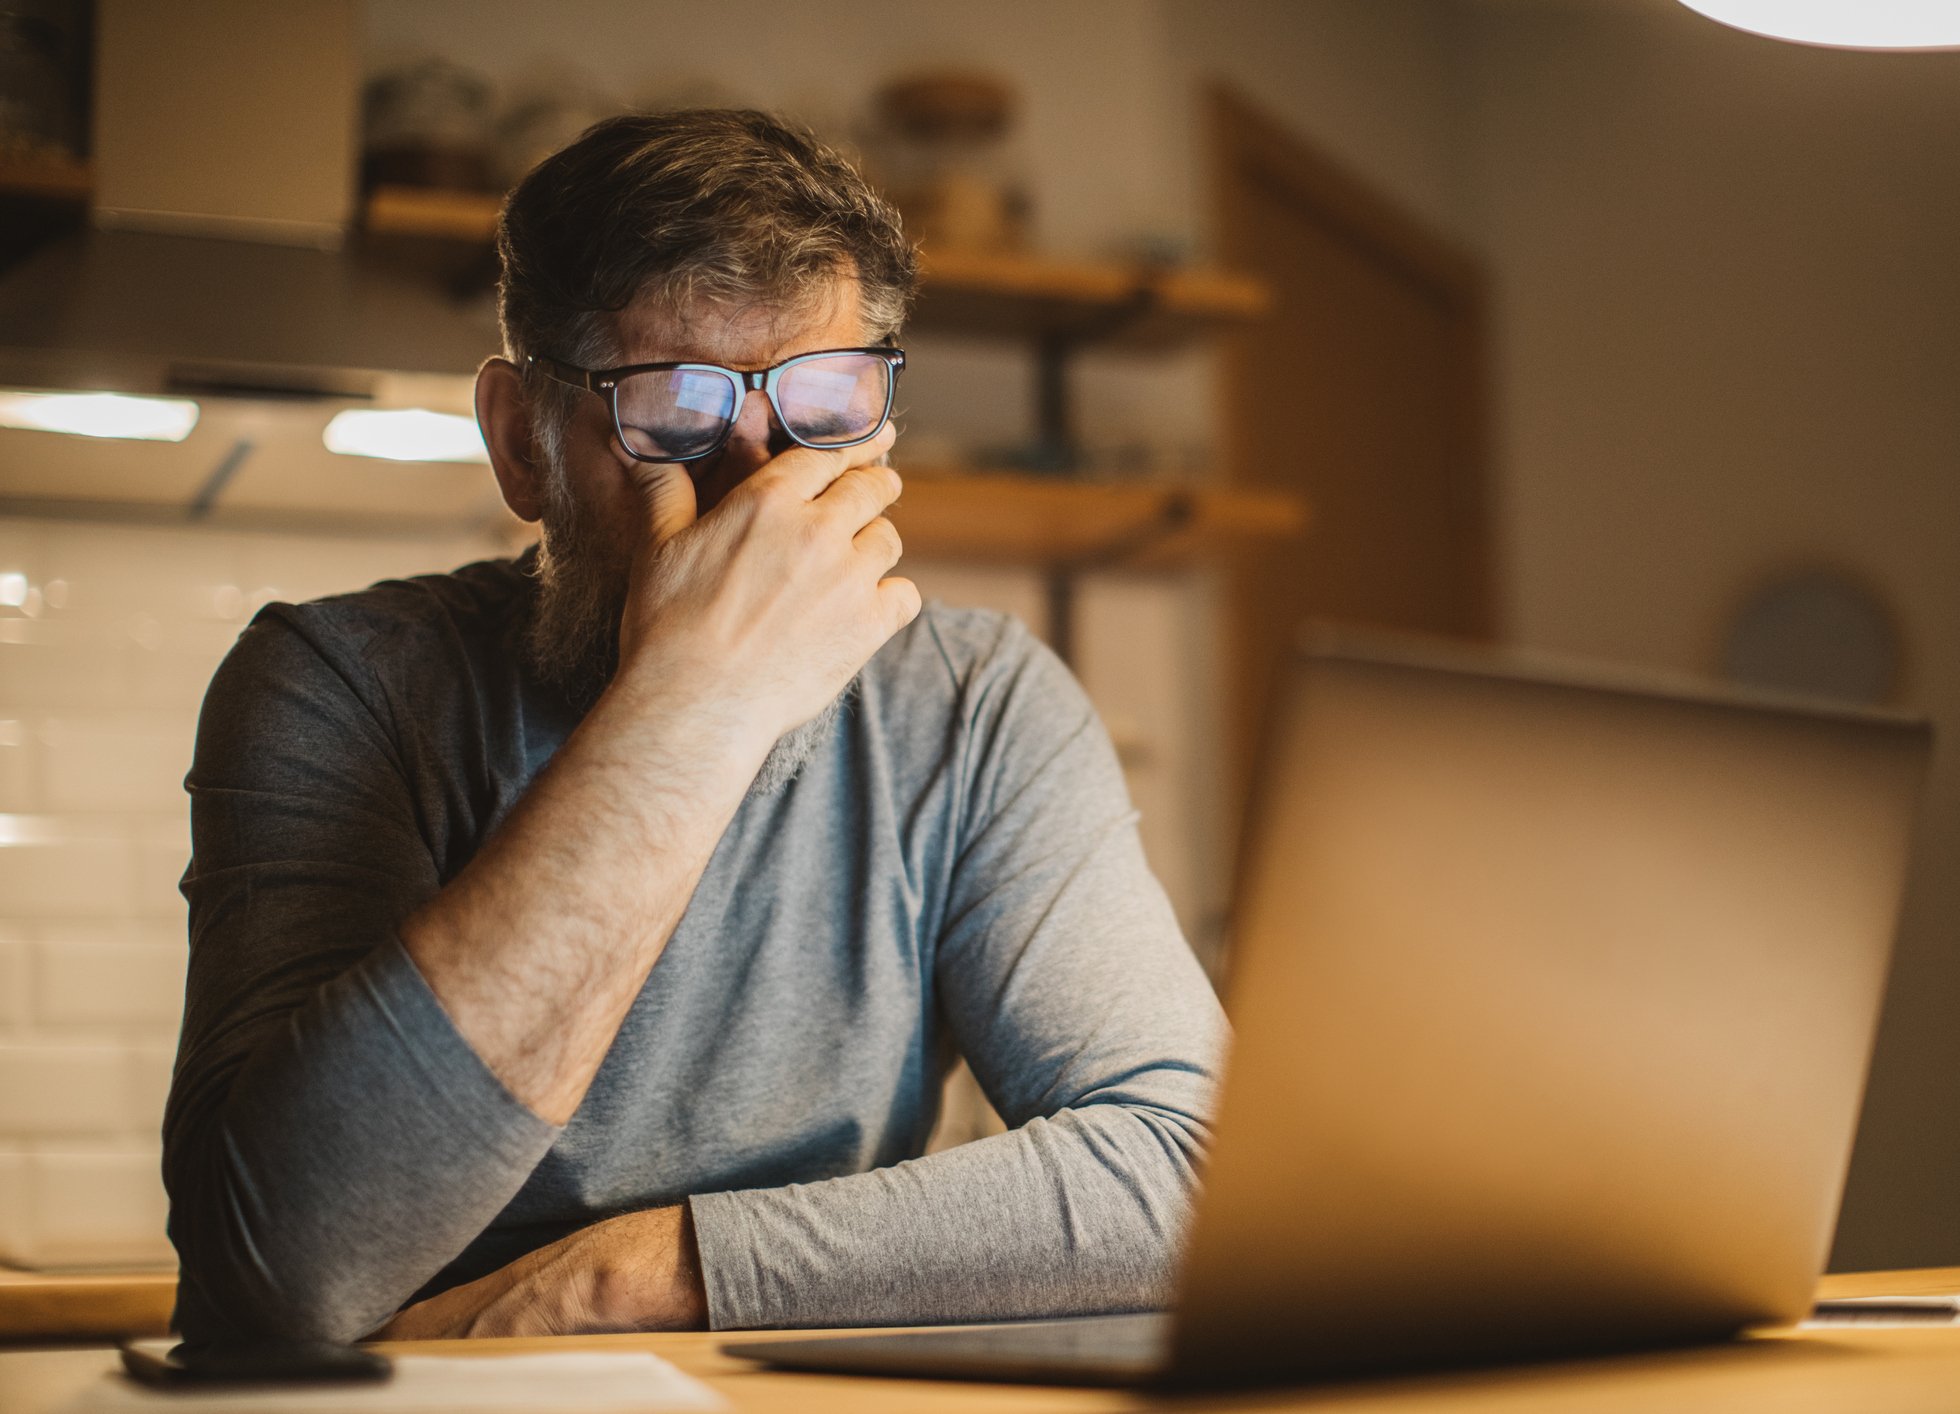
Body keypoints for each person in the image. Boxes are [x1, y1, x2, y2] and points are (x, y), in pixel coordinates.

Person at [163, 109, 1226, 1344]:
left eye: (824, 404)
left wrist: (637, 1272)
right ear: (521, 443)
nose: (761, 489)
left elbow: (1193, 1170)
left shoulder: (976, 703)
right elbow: (280, 1271)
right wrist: (695, 699)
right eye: (675, 414)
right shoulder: (339, 682)